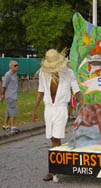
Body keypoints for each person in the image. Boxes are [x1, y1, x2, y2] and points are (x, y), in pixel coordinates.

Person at [32, 49, 83, 181]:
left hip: (61, 108)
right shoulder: (44, 74)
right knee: (52, 138)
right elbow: (40, 91)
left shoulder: (68, 73)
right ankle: (57, 165)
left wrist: (83, 104)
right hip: (48, 109)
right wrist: (35, 109)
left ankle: (53, 169)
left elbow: (76, 90)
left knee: (57, 136)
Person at [1, 60, 20, 133]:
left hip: (14, 95)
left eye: (17, 65)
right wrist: (2, 95)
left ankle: (5, 125)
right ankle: (12, 126)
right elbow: (4, 86)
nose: (17, 66)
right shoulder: (8, 74)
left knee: (9, 110)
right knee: (13, 110)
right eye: (15, 65)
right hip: (10, 95)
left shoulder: (15, 74)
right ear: (11, 66)